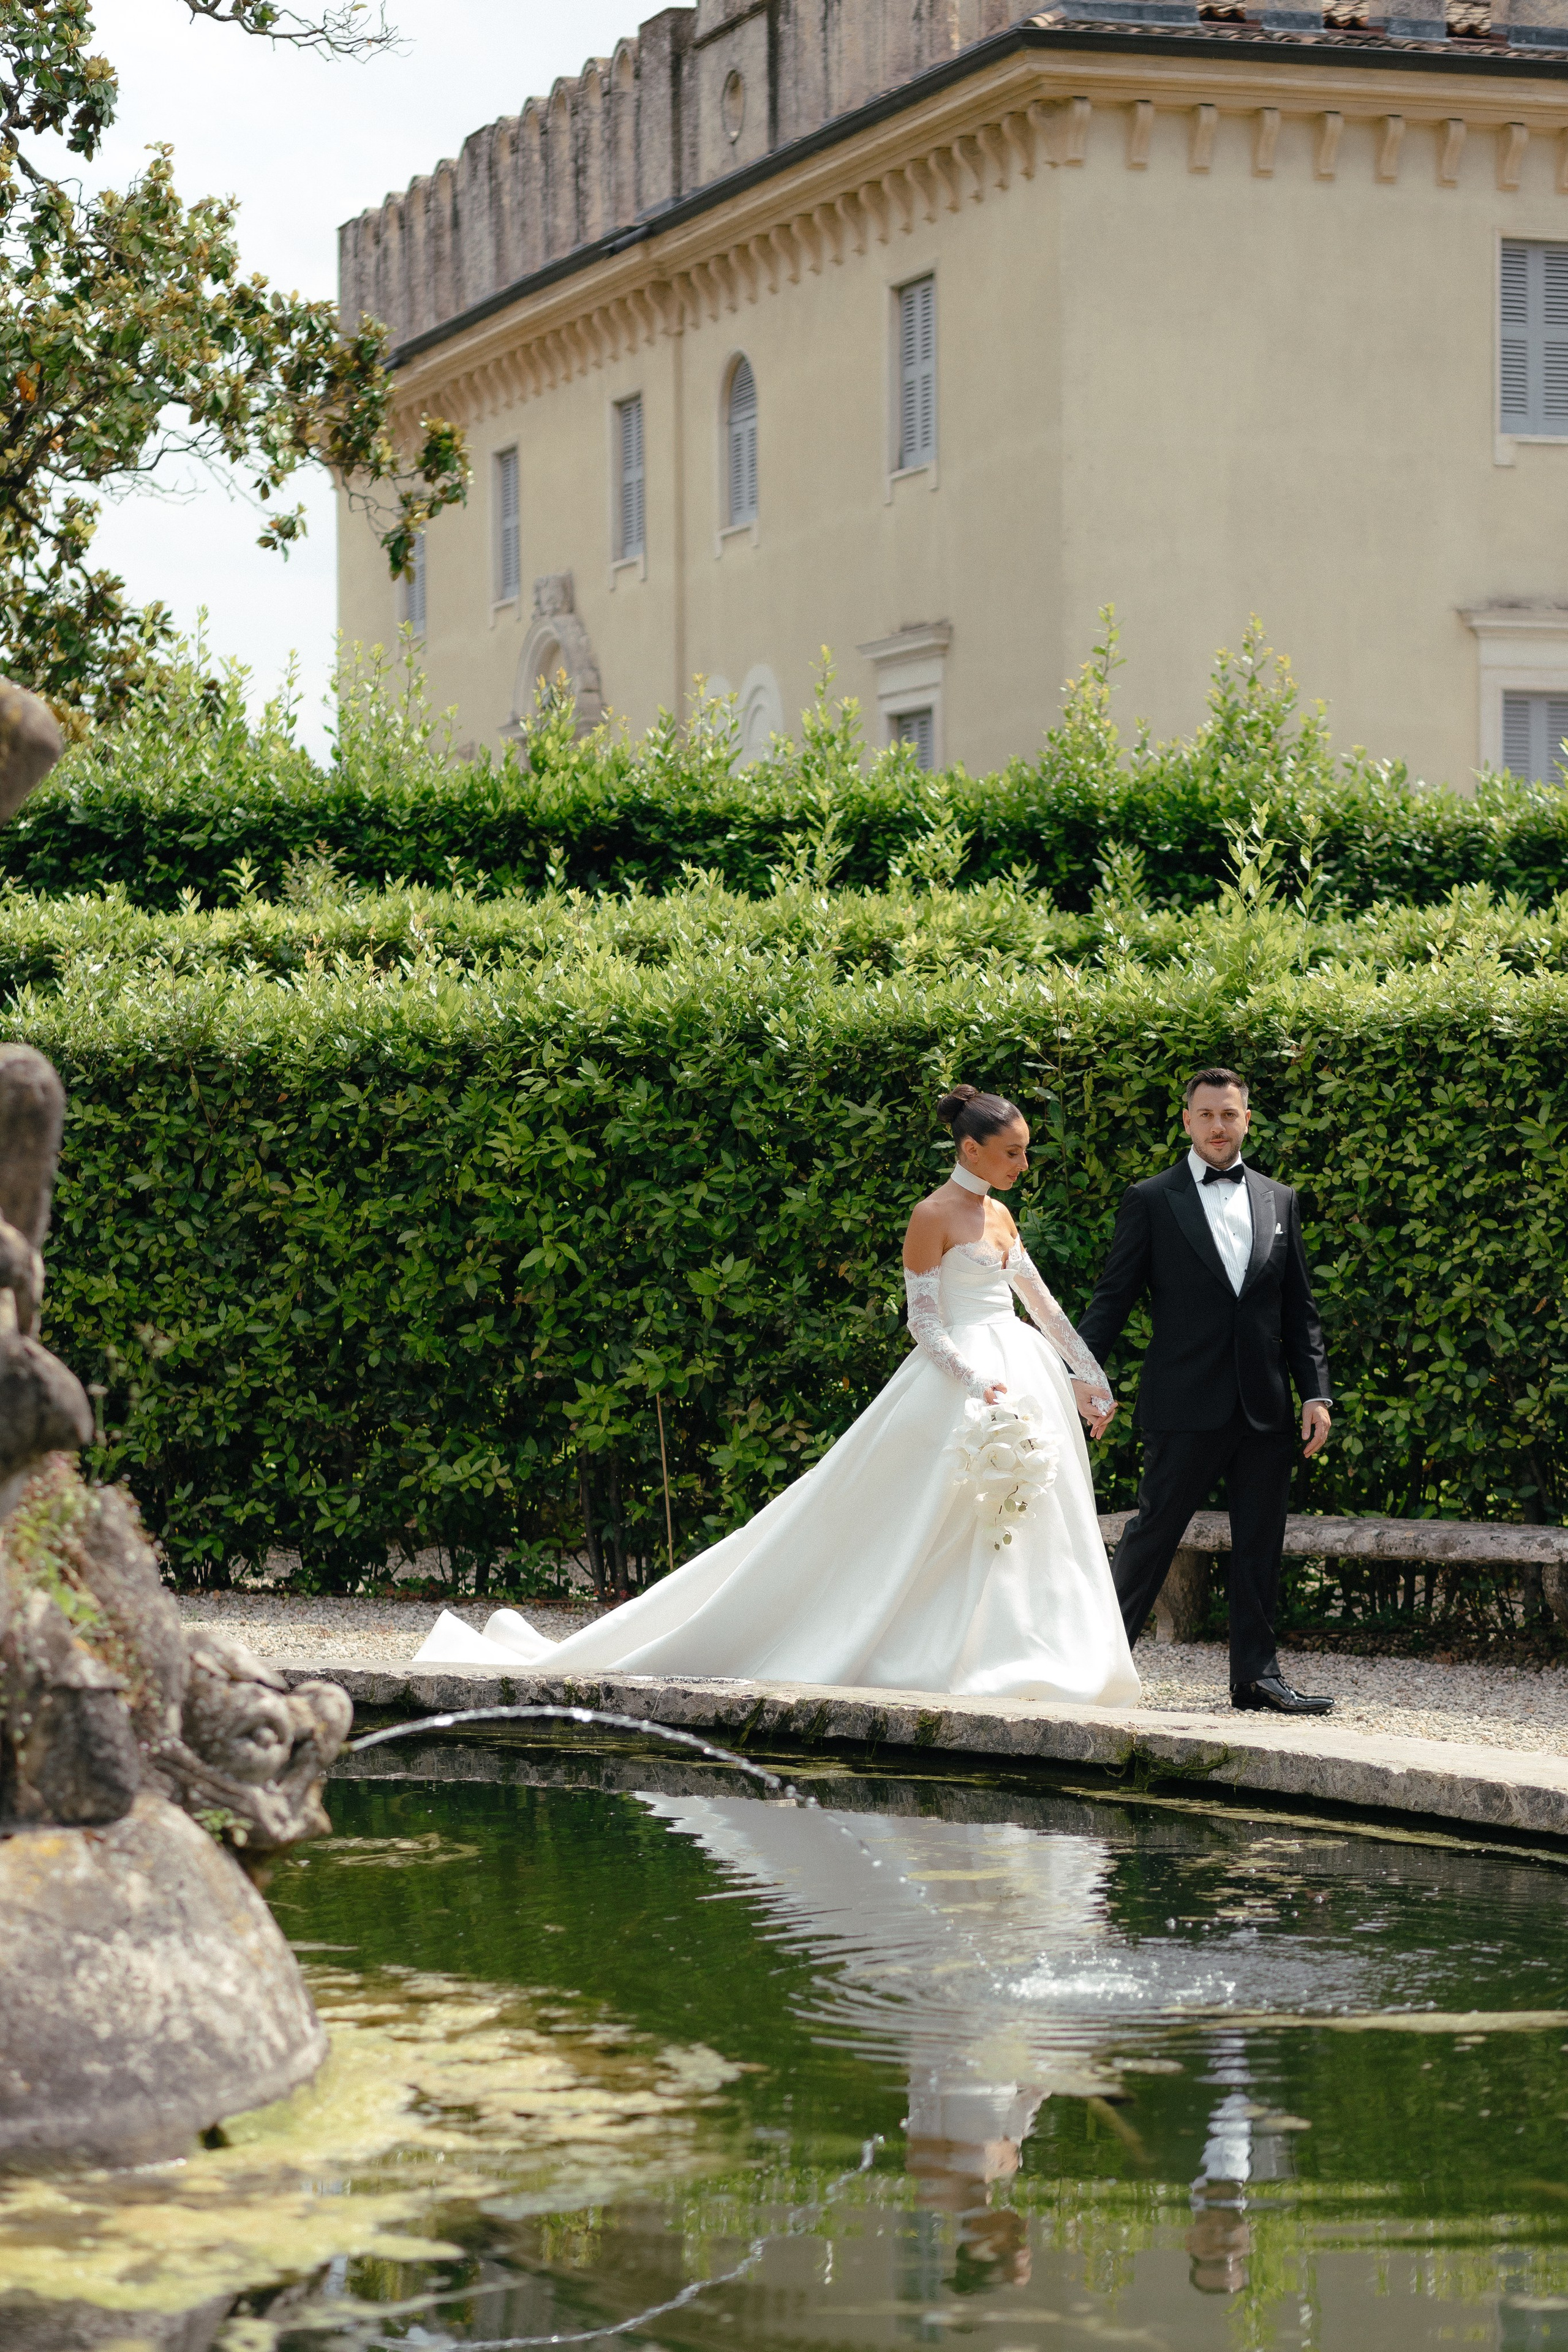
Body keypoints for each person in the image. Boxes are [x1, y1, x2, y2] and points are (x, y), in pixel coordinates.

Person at [415, 1084, 1139, 1705]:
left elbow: (1041, 1304)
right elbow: (923, 1324)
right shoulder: (931, 1216)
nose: (1022, 1165)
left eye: (1024, 1152)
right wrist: (976, 1381)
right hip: (962, 1380)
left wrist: (1088, 1376)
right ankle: (928, 1654)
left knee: (1022, 1517)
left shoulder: (1002, 1216)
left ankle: (1022, 1655)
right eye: (1011, 1153)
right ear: (970, 1149)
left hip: (1021, 1369)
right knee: (924, 1521)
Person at [1076, 1066, 1333, 1716]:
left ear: (1247, 1119)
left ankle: (1256, 1679)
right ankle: (1096, 1670)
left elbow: (1298, 1307)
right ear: (1187, 1120)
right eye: (1207, 1115)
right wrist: (1080, 1373)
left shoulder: (1280, 1199)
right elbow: (1113, 1298)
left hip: (1265, 1406)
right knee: (1152, 1537)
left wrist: (1315, 1393)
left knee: (1260, 1545)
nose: (1219, 1126)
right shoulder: (1150, 1199)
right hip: (1184, 1402)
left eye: (1230, 1114)